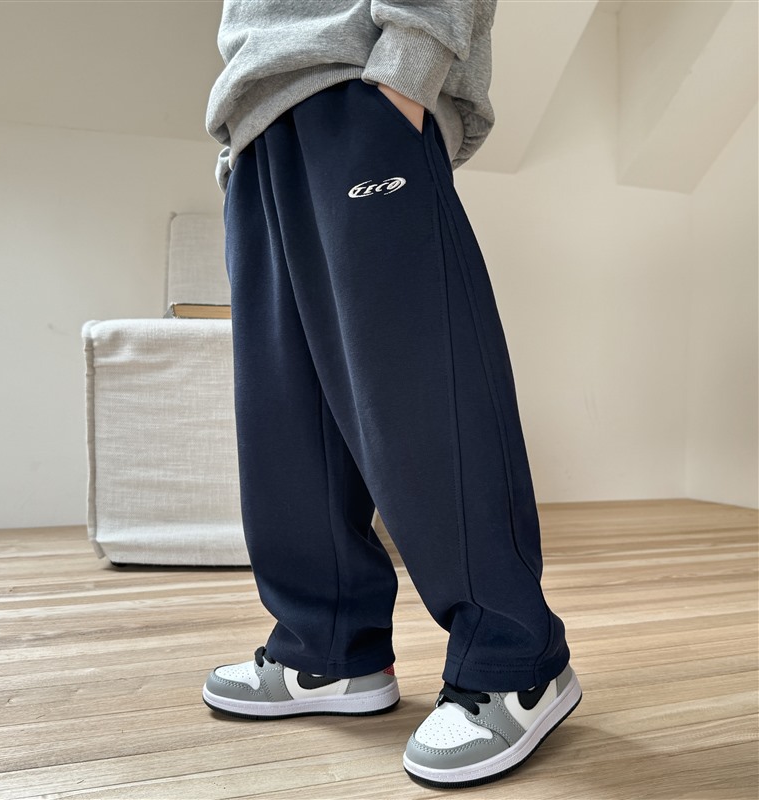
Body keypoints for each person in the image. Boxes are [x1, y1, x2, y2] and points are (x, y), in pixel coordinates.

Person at [201, 0, 582, 789]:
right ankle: (329, 647)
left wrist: (406, 74)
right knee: (284, 415)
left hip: (357, 88)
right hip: (257, 123)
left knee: (416, 394)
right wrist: (239, 145)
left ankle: (516, 660)